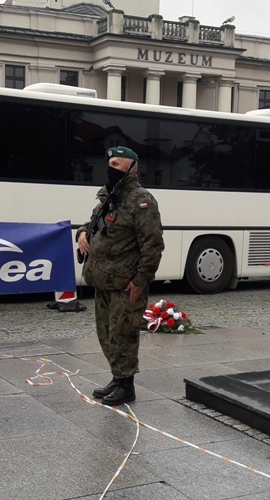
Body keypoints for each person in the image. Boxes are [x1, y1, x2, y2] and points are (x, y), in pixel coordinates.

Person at [76, 146, 164, 406]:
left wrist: (140, 281)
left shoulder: (141, 200)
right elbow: (90, 223)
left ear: (132, 167)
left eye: (117, 164)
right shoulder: (109, 197)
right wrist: (81, 234)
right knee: (107, 334)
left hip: (125, 283)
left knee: (123, 334)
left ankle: (126, 386)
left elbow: (153, 246)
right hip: (103, 279)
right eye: (109, 163)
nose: (111, 168)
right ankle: (118, 377)